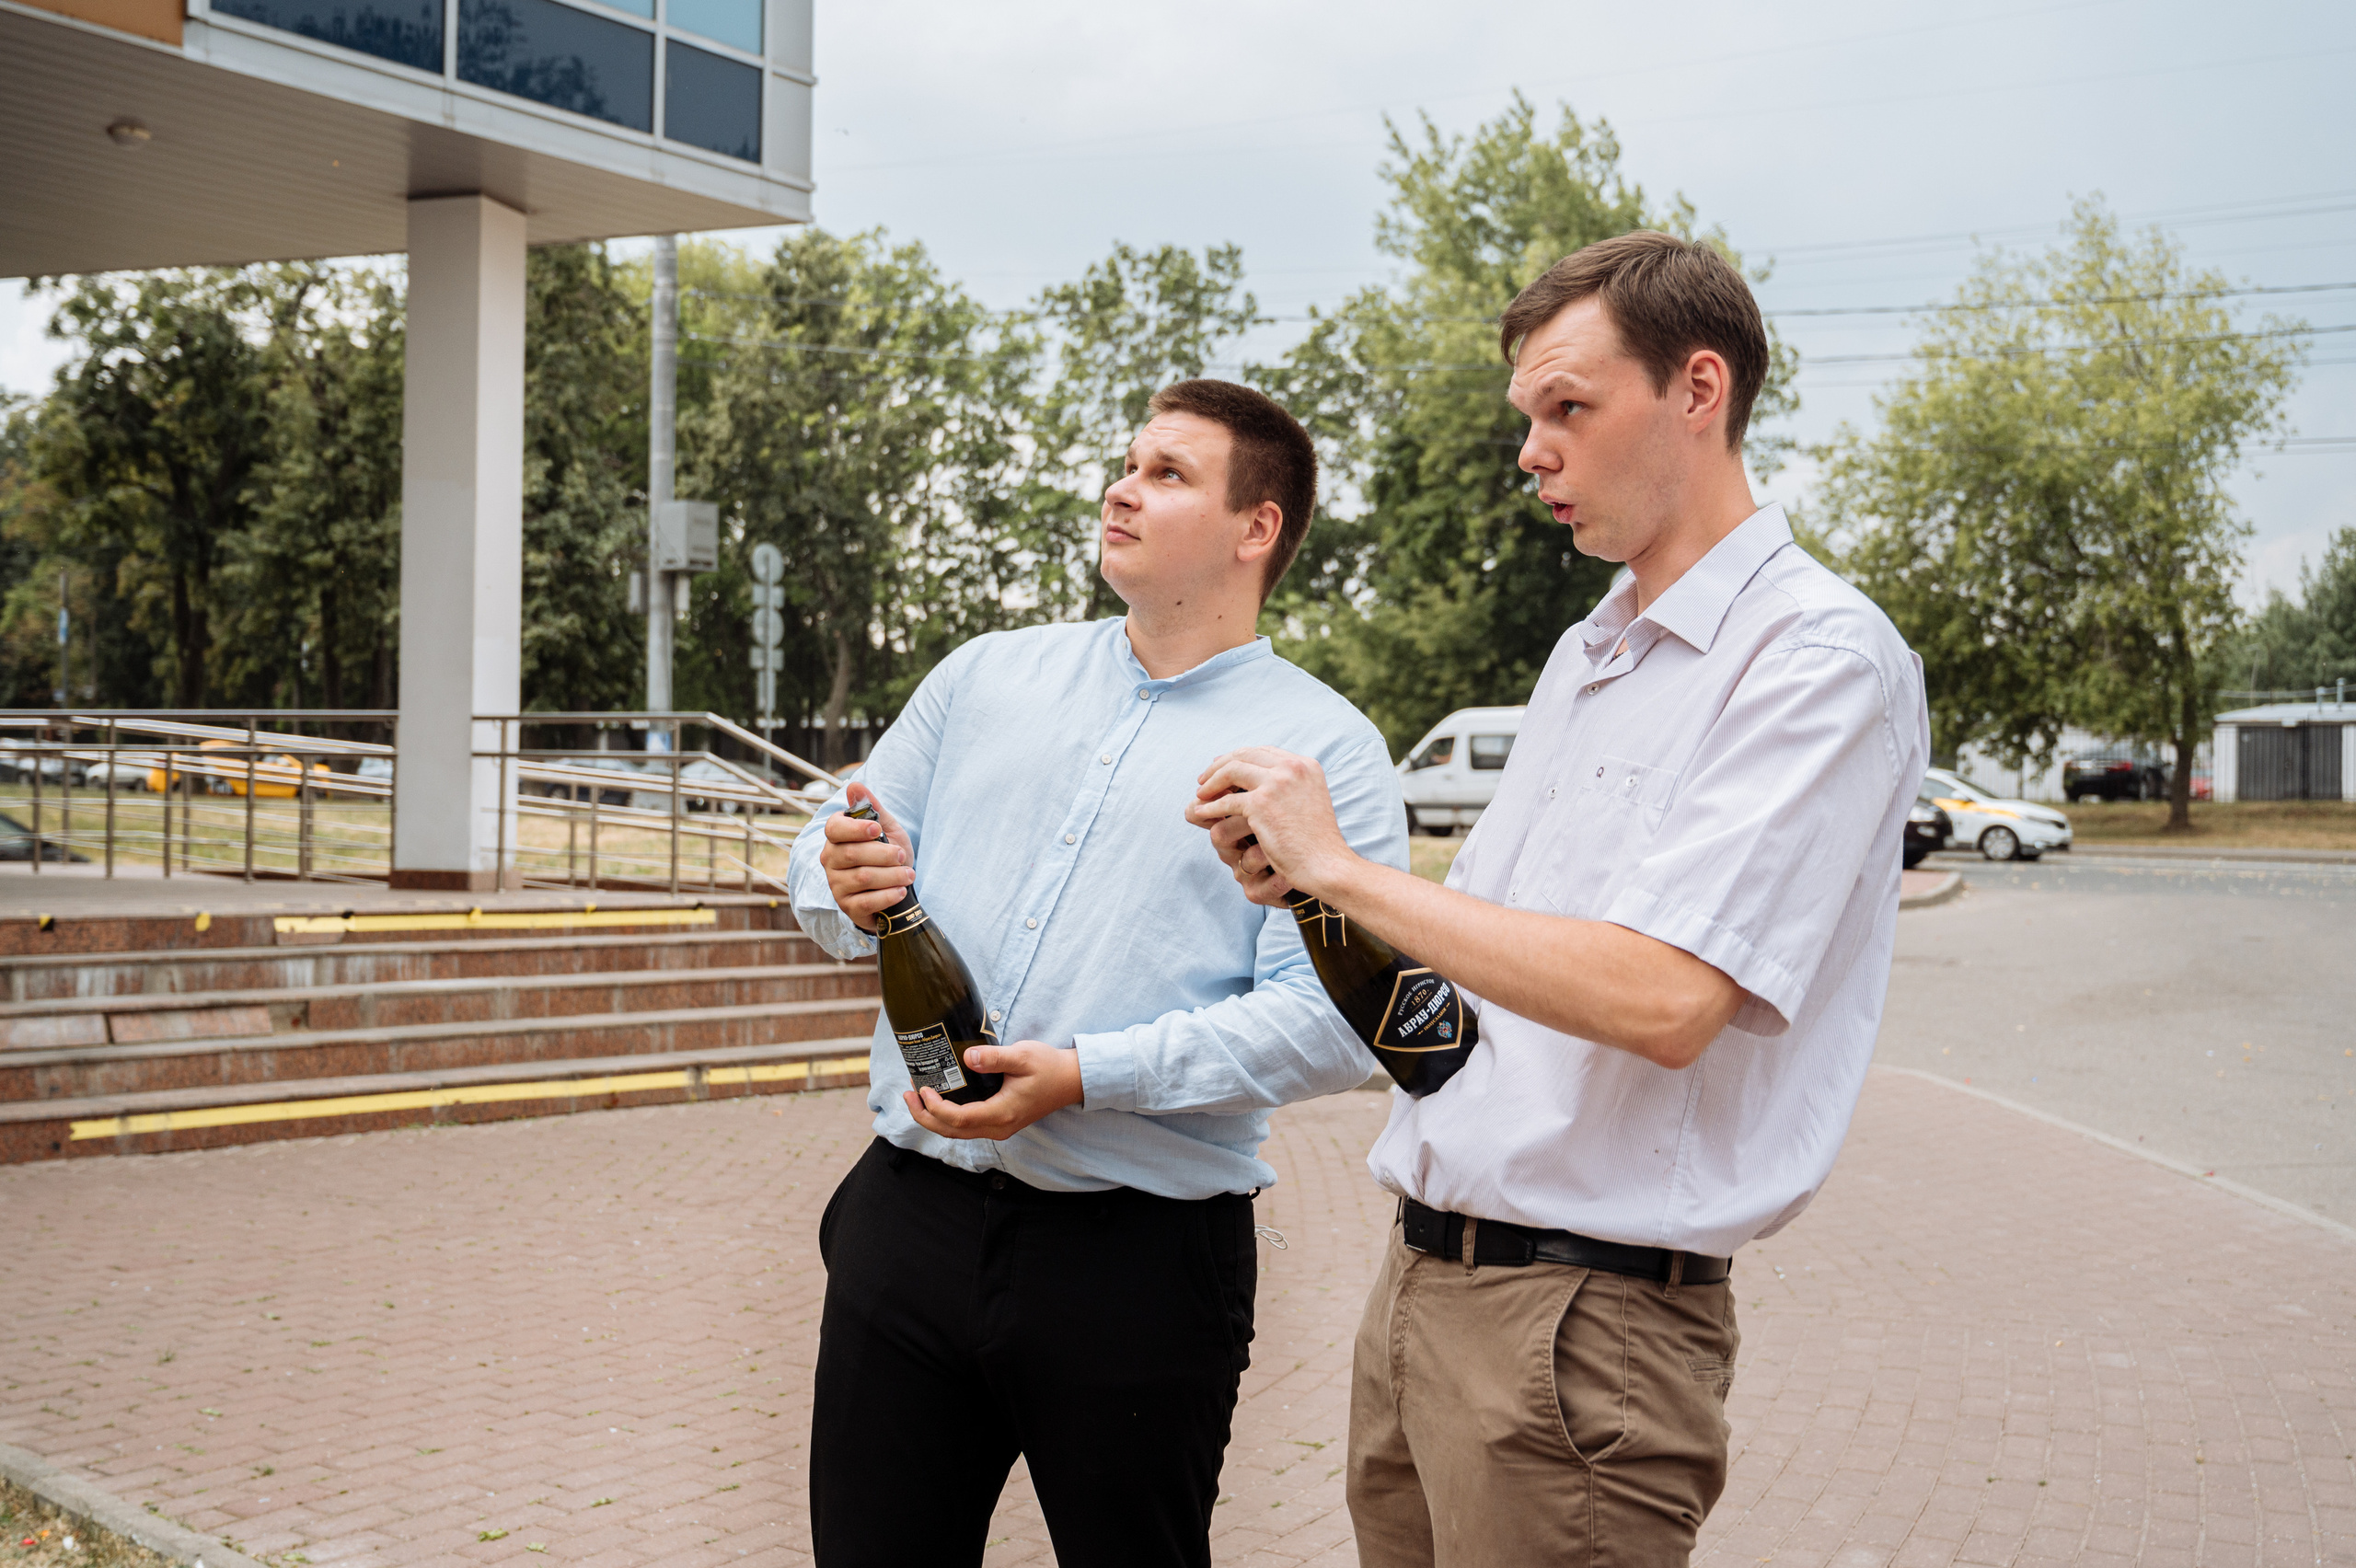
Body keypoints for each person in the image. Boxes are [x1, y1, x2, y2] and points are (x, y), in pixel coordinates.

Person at [1187, 231, 1929, 1566]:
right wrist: (1314, 900)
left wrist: (1349, 867)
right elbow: (1479, 988)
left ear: (1698, 390)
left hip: (1583, 1325)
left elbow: (1664, 998)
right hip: (1424, 1286)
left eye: (1568, 408)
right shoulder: (1589, 655)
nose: (1531, 451)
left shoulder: (1814, 656)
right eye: (1527, 416)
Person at [789, 379, 1408, 1568]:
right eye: (1128, 464)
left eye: (1168, 473)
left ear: (1257, 527)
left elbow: (1331, 1026)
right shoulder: (983, 677)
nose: (1123, 489)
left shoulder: (1322, 750)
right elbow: (823, 854)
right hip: (906, 1221)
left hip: (1141, 1262)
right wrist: (843, 876)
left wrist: (1084, 1076)